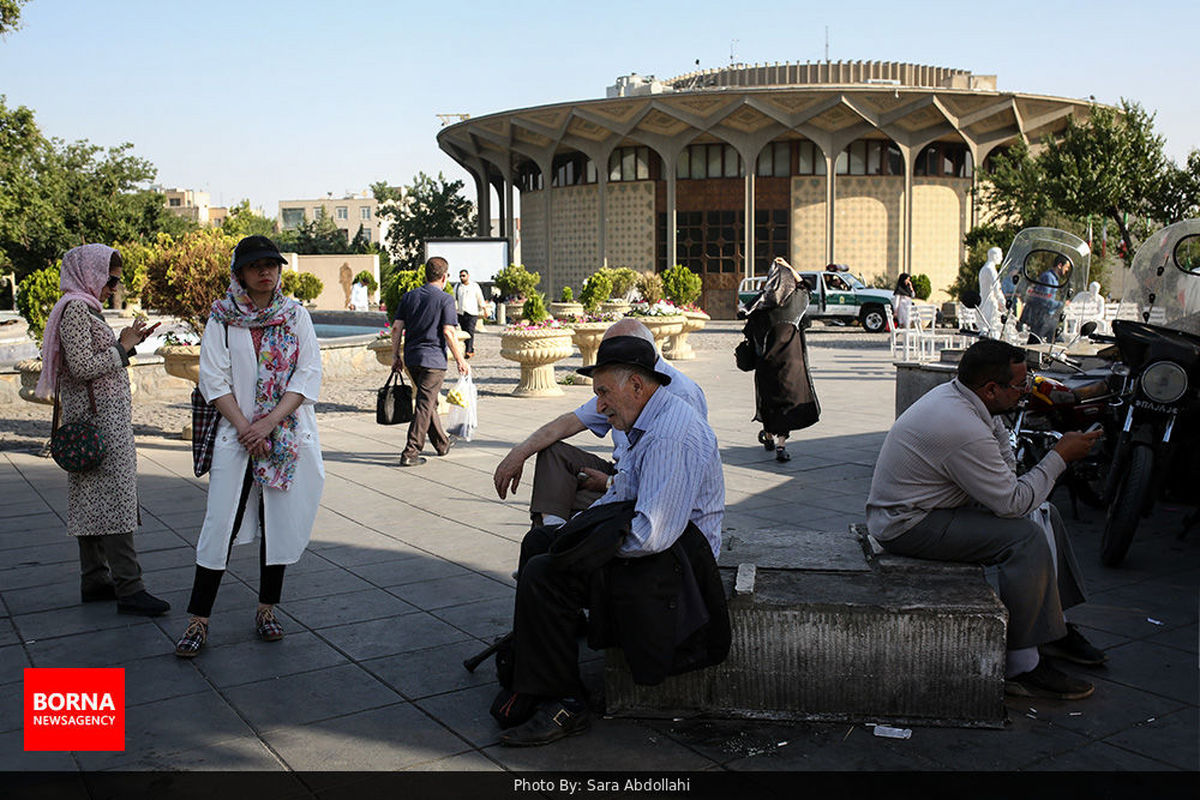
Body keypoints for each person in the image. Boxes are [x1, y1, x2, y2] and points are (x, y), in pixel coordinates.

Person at [499, 336, 727, 746]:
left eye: (604, 393)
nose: (600, 406)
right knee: (541, 545)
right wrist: (572, 533)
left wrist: (584, 552)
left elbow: (650, 535)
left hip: (679, 568)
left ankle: (563, 701)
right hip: (660, 545)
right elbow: (623, 491)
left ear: (637, 386)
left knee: (545, 575)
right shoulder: (649, 419)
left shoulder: (671, 434)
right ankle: (533, 674)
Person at [866, 338, 1106, 700]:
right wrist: (1059, 456)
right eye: (1020, 385)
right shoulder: (959, 424)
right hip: (907, 524)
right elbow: (1012, 502)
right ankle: (1022, 666)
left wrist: (1001, 427)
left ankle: (1054, 629)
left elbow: (1008, 477)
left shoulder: (968, 400)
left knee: (1047, 513)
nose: (1027, 391)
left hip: (936, 506)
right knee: (1024, 537)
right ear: (991, 389)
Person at [173, 235, 324, 657]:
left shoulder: (294, 316)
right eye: (256, 265)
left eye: (271, 264)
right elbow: (213, 379)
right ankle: (198, 621)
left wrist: (269, 425)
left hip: (284, 432)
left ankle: (266, 610)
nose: (265, 271)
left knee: (278, 522)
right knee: (219, 524)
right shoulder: (221, 318)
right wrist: (246, 427)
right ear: (240, 273)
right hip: (236, 435)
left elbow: (307, 375)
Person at [35, 244, 169, 616]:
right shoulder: (76, 309)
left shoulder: (82, 307)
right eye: (109, 279)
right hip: (99, 425)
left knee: (93, 499)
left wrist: (127, 342)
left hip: (96, 421)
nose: (113, 287)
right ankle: (130, 586)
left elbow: (92, 360)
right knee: (116, 501)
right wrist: (122, 348)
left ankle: (95, 579)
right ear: (89, 273)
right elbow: (81, 366)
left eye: (116, 280)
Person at [493, 318, 707, 527]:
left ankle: (552, 543)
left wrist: (609, 484)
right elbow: (568, 423)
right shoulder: (619, 385)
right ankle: (551, 535)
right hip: (622, 472)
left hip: (650, 486)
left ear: (637, 384)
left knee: (557, 506)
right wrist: (519, 453)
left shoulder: (681, 398)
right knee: (553, 457)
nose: (600, 406)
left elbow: (669, 485)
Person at [391, 257, 469, 467]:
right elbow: (448, 332)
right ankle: (411, 451)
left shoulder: (409, 297)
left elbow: (397, 328)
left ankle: (442, 444)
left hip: (412, 358)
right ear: (445, 277)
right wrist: (461, 360)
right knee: (425, 404)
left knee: (429, 401)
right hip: (433, 360)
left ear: (426, 275)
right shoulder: (445, 299)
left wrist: (395, 355)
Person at [742, 257, 820, 463]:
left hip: (766, 365)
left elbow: (749, 332)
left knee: (769, 402)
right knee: (786, 404)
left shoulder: (760, 307)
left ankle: (768, 435)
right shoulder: (795, 303)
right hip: (791, 365)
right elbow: (806, 285)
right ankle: (781, 446)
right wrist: (788, 267)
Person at [1020, 255, 1070, 342]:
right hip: (1042, 317)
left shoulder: (1052, 278)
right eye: (1066, 267)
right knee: (1038, 343)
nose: (1067, 270)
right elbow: (1044, 300)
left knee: (1052, 340)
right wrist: (1061, 304)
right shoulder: (1048, 278)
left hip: (1045, 317)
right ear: (1060, 265)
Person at [454, 269, 486, 358]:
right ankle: (469, 349)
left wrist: (484, 309)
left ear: (468, 276)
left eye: (463, 275)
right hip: (461, 312)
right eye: (460, 276)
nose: (462, 277)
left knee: (470, 331)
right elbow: (454, 299)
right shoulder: (457, 287)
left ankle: (469, 350)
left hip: (472, 312)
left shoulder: (474, 286)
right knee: (464, 331)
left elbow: (480, 298)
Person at [978, 246, 1005, 337]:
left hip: (984, 300)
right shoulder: (990, 269)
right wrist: (1003, 303)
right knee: (994, 329)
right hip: (990, 302)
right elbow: (997, 288)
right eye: (1000, 255)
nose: (1002, 258)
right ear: (995, 256)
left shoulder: (984, 268)